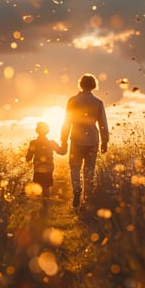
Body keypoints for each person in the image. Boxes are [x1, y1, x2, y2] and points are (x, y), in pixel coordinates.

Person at [61, 73, 109, 208]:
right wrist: (105, 141)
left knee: (74, 168)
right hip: (93, 140)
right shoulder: (98, 102)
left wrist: (63, 140)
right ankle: (87, 199)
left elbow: (67, 122)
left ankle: (76, 190)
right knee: (89, 170)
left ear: (80, 84)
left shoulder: (72, 101)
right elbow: (103, 123)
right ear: (93, 86)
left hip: (76, 138)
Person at [26, 122, 66, 200]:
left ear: (37, 130)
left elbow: (28, 158)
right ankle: (45, 203)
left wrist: (27, 157)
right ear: (47, 131)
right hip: (49, 167)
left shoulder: (33, 143)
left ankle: (38, 204)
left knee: (37, 186)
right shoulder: (51, 143)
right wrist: (65, 143)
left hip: (38, 167)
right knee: (46, 186)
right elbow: (62, 152)